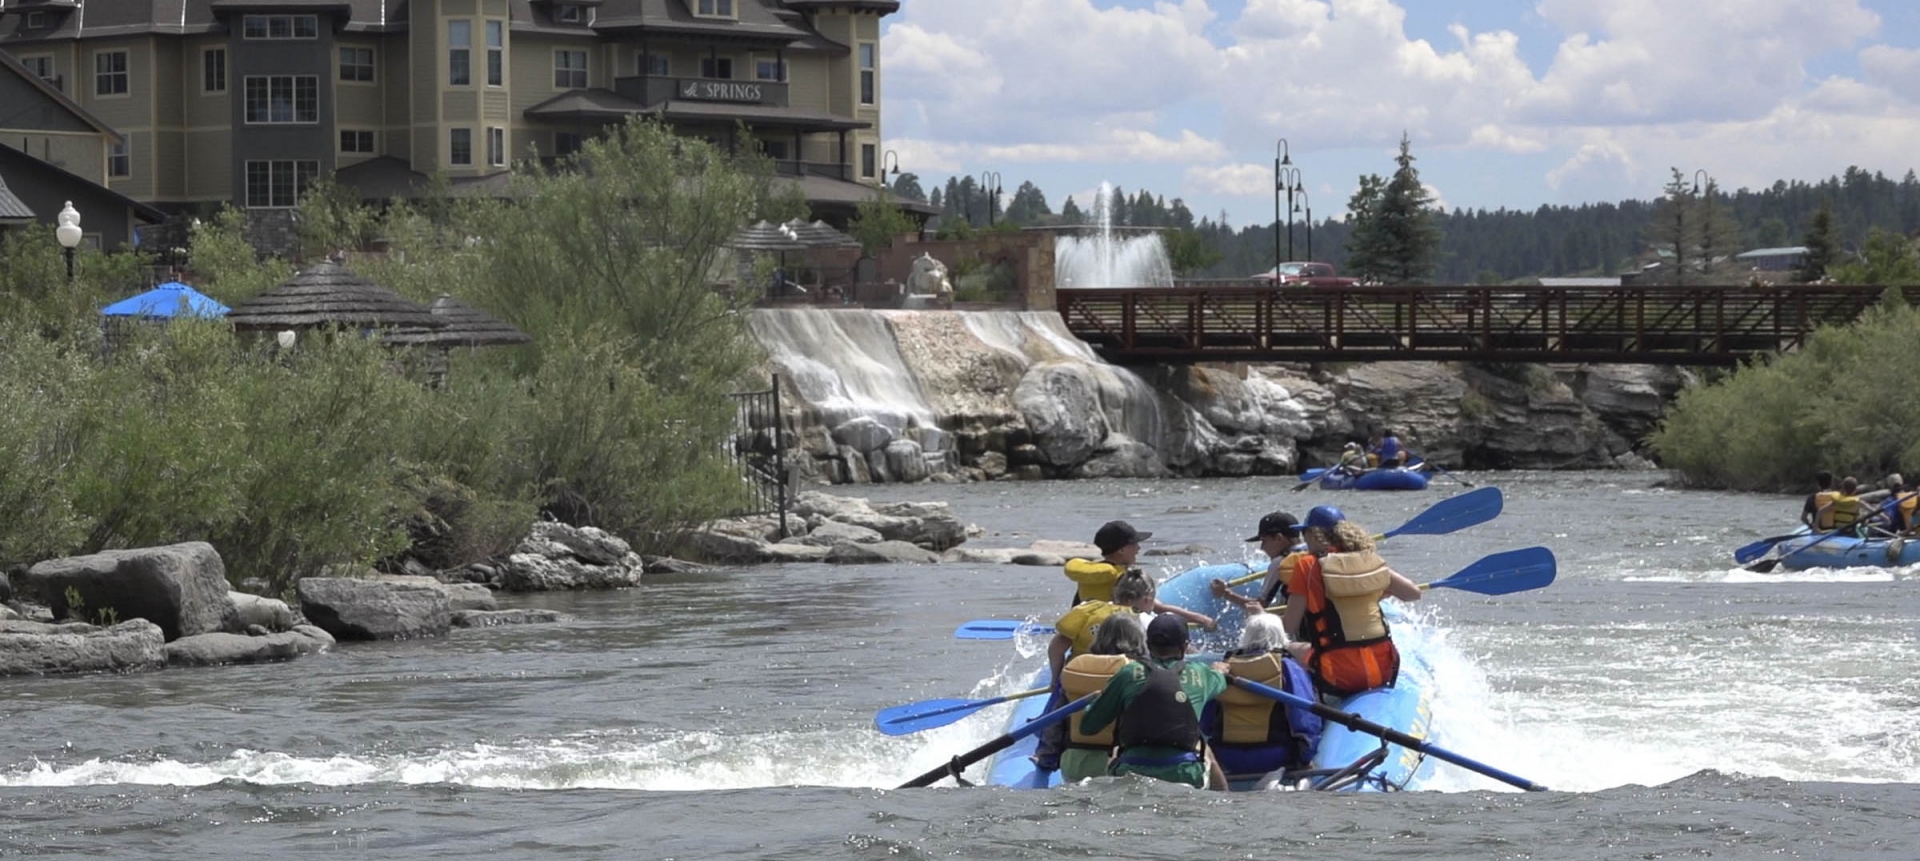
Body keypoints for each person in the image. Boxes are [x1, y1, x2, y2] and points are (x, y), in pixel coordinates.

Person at [1282, 506, 1423, 698]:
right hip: (1384, 669)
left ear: (1313, 535)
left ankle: (1309, 717)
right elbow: (1413, 593)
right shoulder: (1369, 560)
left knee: (1285, 647)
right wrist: (1377, 591)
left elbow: (1289, 626)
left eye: (1304, 533)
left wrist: (1260, 616)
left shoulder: (1306, 565)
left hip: (1337, 674)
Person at [1078, 614, 1229, 789]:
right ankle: (1225, 801)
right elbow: (1220, 681)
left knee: (1115, 752)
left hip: (1131, 770)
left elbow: (1088, 727)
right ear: (1185, 646)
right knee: (1205, 750)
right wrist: (1219, 670)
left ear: (1148, 645)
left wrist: (1098, 701)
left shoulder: (1128, 673)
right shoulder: (1201, 674)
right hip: (1183, 772)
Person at [1033, 571, 1160, 771]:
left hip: (1081, 676)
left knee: (1059, 707)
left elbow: (1056, 648)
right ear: (1147, 598)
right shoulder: (1145, 620)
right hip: (1125, 678)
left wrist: (1056, 680)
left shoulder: (1088, 609)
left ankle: (1046, 754)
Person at [1204, 615, 1324, 784]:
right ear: (1280, 635)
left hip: (1226, 756)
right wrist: (1305, 757)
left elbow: (1207, 723)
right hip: (1276, 756)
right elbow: (1306, 719)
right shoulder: (1288, 667)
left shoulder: (1223, 667)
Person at [1064, 520, 1221, 624]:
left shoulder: (1091, 574)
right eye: (1135, 544)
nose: (1138, 548)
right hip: (1118, 635)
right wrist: (1201, 619)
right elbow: (1157, 607)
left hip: (1090, 634)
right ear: (1122, 550)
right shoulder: (1122, 577)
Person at [1056, 614, 1148, 782]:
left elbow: (1057, 721)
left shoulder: (1077, 666)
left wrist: (1046, 757)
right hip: (1116, 762)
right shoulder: (1138, 673)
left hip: (1074, 765)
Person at [1210, 511, 1307, 610]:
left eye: (1264, 541)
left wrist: (1226, 594)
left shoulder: (1280, 562)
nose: (1262, 548)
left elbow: (1260, 606)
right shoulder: (1313, 551)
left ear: (1279, 538)